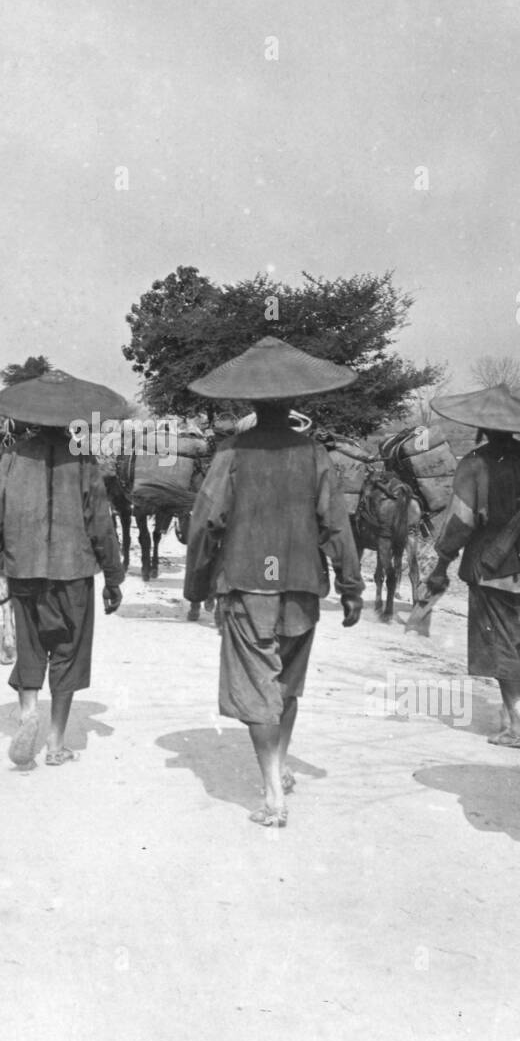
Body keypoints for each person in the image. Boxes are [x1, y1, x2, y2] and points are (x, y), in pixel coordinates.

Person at [183, 336, 364, 827]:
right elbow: (336, 525)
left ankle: (271, 792)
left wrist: (197, 585)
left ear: (251, 405)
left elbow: (205, 524)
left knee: (257, 687)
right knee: (285, 685)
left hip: (246, 583)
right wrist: (351, 586)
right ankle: (280, 770)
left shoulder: (231, 454)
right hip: (301, 586)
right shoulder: (314, 455)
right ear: (294, 405)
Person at [0, 370, 128, 767]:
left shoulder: (11, 460)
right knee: (68, 652)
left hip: (24, 570)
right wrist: (113, 578)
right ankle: (57, 743)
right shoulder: (83, 461)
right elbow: (101, 525)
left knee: (29, 646)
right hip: (72, 571)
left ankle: (28, 715)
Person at [421, 386, 520, 748]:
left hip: (492, 567)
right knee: (515, 640)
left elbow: (461, 521)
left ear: (480, 426)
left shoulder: (474, 464)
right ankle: (509, 712)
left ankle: (516, 727)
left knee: (503, 645)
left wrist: (441, 565)